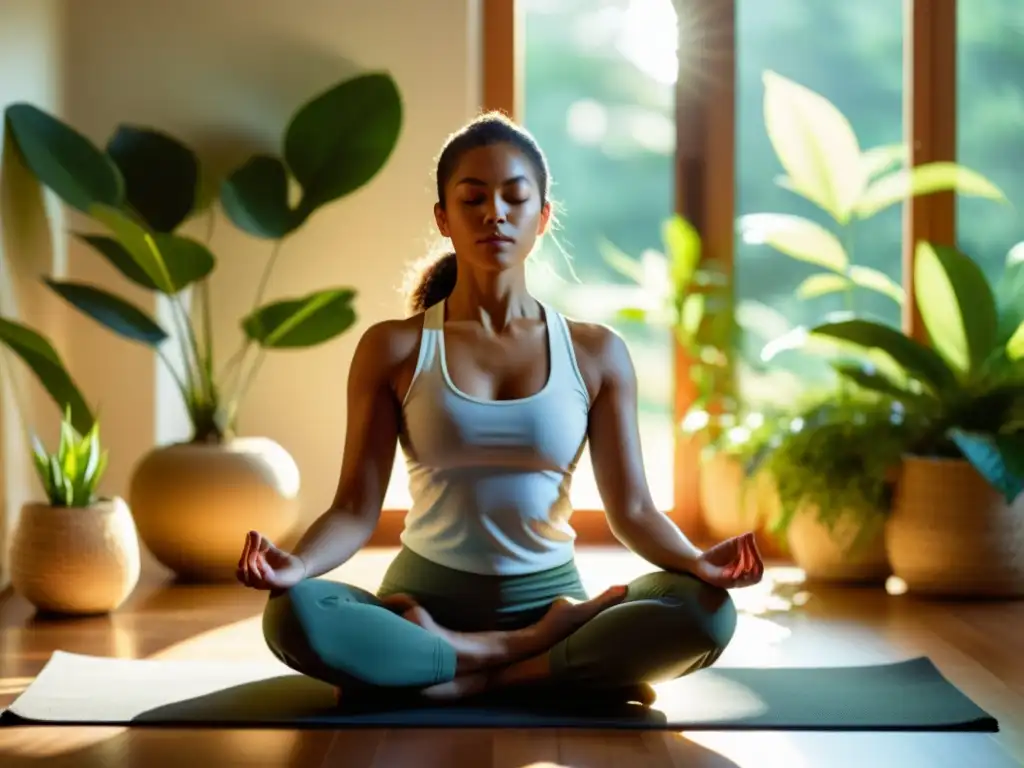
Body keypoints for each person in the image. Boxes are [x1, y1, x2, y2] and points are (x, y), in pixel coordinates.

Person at [236, 111, 764, 706]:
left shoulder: (596, 354)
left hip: (547, 596)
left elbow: (635, 509)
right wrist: (297, 567)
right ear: (443, 218)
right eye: (473, 198)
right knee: (293, 616)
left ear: (542, 218)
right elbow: (356, 509)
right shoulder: (395, 347)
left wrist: (699, 562)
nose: (495, 213)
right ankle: (537, 661)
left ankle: (450, 674)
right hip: (424, 601)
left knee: (705, 614)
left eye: (515, 198)